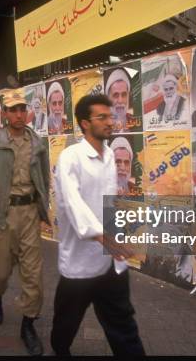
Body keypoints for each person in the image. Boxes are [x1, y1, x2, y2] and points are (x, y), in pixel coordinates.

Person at [51, 94, 145, 356]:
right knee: (65, 325)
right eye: (101, 117)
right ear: (84, 123)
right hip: (79, 266)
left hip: (111, 263)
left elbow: (108, 204)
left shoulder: (110, 155)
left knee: (123, 325)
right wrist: (106, 238)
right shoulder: (71, 157)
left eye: (110, 116)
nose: (109, 122)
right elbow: (73, 204)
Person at [0, 91, 50, 356]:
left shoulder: (37, 142)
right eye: (13, 110)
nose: (19, 115)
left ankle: (28, 324)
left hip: (29, 213)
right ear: (4, 114)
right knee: (0, 272)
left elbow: (44, 178)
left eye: (22, 109)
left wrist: (42, 209)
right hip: (1, 216)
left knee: (33, 275)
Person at [105, 68, 135, 133]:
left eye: (124, 95)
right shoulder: (103, 127)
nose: (120, 100)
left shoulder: (135, 122)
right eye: (115, 95)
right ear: (108, 98)